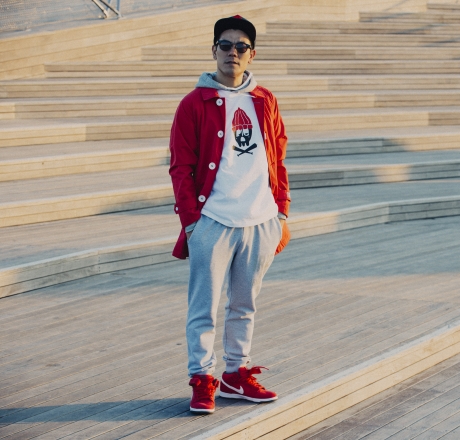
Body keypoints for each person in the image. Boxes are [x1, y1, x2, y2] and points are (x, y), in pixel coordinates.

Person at [168, 15, 291, 414]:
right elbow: (180, 166)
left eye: (241, 47)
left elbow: (278, 159)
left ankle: (236, 375)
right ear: (214, 51)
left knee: (244, 305)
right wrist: (192, 222)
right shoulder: (193, 103)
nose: (232, 52)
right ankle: (202, 378)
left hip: (260, 221)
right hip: (213, 223)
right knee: (203, 308)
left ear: (251, 54)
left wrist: (281, 214)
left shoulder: (265, 100)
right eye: (225, 45)